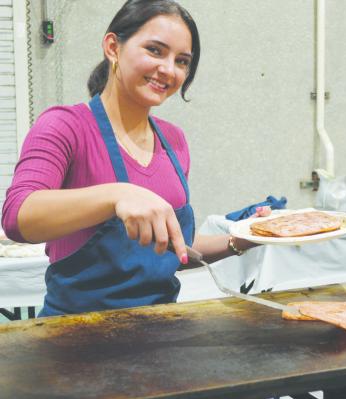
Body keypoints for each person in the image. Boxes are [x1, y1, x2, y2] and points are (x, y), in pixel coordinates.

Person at [1, 0, 270, 317]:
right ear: (113, 47)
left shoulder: (174, 141)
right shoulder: (65, 126)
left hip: (157, 331)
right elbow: (18, 216)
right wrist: (117, 193)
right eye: (155, 50)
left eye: (182, 61)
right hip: (75, 338)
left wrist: (243, 238)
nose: (169, 69)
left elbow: (169, 243)